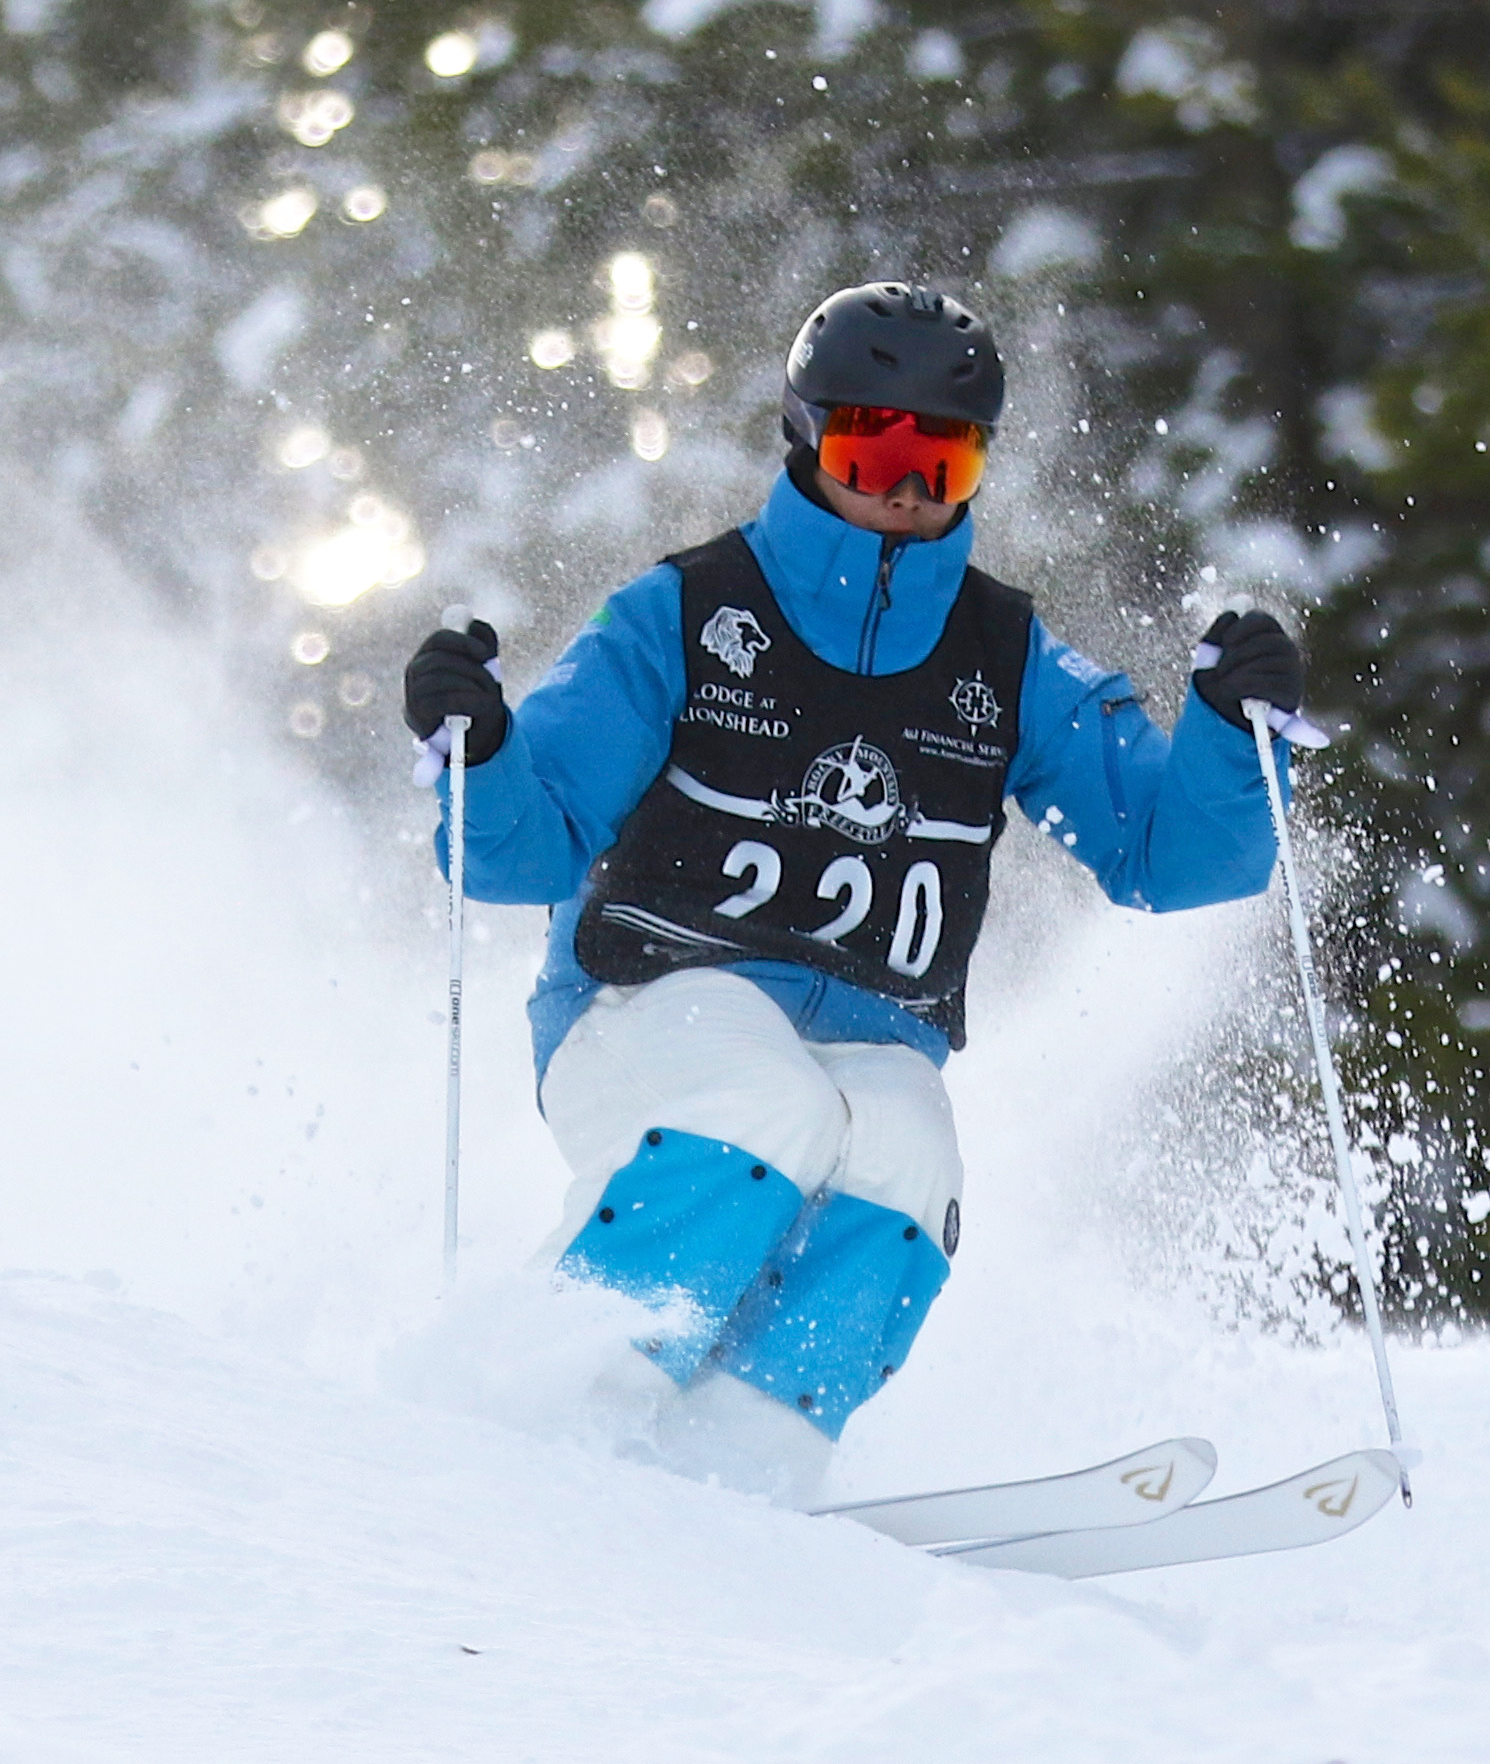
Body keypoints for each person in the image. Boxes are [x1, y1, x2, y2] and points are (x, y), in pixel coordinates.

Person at [403, 282, 1315, 1488]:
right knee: (763, 1101)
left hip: (871, 1036)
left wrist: (1223, 733)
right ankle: (554, 1404)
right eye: (871, 447)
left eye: (942, 462)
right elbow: (528, 844)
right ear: (807, 437)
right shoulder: (691, 616)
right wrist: (480, 749)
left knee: (904, 1150)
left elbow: (1166, 855)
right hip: (645, 1003)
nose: (902, 487)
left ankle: (742, 1462)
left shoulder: (1004, 658)